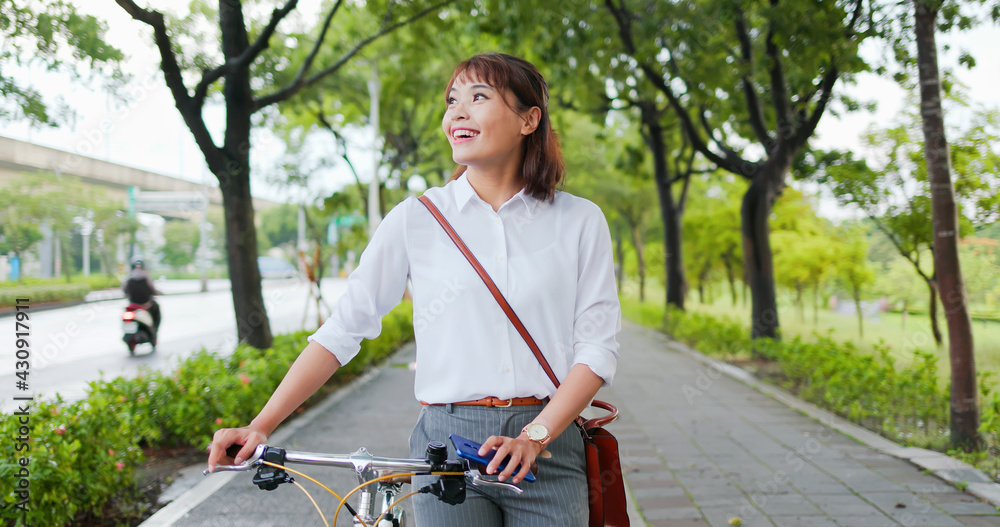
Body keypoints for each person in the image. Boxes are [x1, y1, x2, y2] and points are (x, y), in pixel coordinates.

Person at [207, 53, 621, 526]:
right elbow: (344, 329)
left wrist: (536, 435)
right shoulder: (416, 219)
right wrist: (261, 426)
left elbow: (596, 348)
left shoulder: (579, 220)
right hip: (445, 448)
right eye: (452, 101)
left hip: (548, 446)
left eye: (478, 97)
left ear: (530, 119)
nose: (457, 113)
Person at [122, 257, 162, 334]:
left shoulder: (129, 277)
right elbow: (152, 289)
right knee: (156, 308)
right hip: (146, 305)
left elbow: (124, 290)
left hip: (133, 305)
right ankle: (154, 331)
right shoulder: (146, 277)